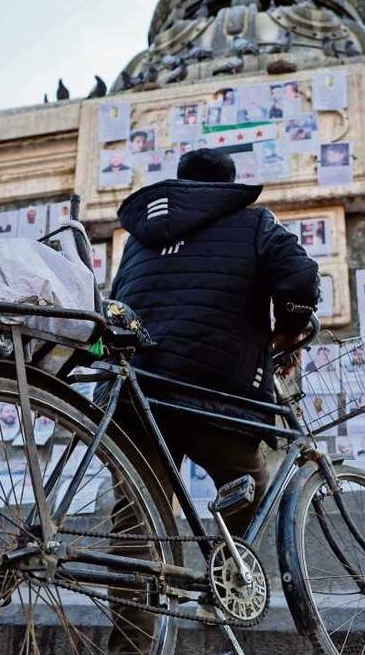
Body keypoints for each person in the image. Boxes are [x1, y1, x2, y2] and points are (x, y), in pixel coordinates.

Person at [102, 148, 319, 652]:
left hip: (134, 390)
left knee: (138, 520)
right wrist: (288, 331)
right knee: (248, 479)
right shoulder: (254, 223)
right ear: (228, 185)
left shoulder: (139, 238)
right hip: (210, 389)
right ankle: (223, 577)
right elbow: (301, 279)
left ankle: (130, 645)